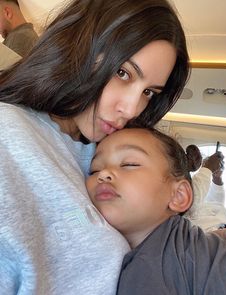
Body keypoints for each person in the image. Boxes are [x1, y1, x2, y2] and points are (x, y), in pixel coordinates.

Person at [0, 0, 190, 293]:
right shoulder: (8, 135)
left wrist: (207, 247)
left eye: (149, 93)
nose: (131, 109)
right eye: (123, 73)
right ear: (78, 47)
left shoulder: (104, 152)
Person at [86, 127, 226, 295]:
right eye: (94, 170)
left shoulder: (146, 271)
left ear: (178, 196)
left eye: (129, 164)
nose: (103, 174)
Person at [186, 150, 226, 231]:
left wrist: (217, 178)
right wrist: (207, 168)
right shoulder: (183, 196)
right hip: (215, 236)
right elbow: (190, 205)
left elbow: (216, 204)